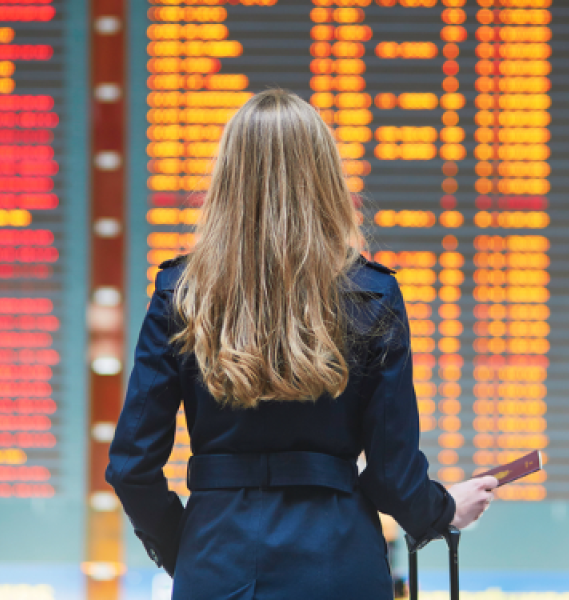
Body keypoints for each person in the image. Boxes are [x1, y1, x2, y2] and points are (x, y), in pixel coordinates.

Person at [105, 89, 498, 600]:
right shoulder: (372, 294)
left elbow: (131, 466)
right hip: (339, 566)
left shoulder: (182, 293)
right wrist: (443, 509)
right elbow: (389, 475)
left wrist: (188, 551)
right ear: (324, 177)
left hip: (214, 563)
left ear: (226, 179)